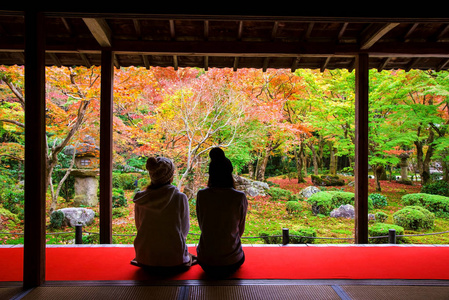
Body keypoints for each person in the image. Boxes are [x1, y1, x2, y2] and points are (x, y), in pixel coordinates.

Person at [131, 156, 196, 273]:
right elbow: (184, 230)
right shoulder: (180, 197)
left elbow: (138, 226)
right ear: (170, 176)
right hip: (174, 260)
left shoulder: (141, 199)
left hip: (144, 258)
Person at [196, 147, 248, 277]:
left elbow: (202, 225)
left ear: (211, 174)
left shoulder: (202, 195)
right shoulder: (239, 196)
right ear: (229, 174)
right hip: (232, 261)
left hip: (205, 261)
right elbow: (240, 230)